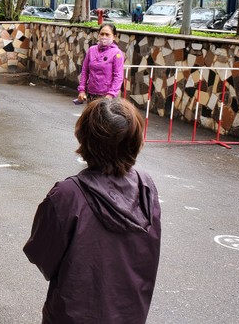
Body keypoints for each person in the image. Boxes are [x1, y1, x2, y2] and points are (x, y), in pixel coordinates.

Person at [23, 98, 161, 323]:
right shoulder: (146, 187)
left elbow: (42, 254)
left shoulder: (68, 195)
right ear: (135, 141)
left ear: (85, 138)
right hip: (130, 312)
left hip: (73, 314)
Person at [77, 23, 124, 102]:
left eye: (107, 34)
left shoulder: (117, 53)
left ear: (114, 37)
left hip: (108, 97)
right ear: (98, 35)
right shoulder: (91, 50)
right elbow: (85, 71)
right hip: (91, 95)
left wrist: (110, 95)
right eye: (102, 34)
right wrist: (82, 90)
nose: (104, 37)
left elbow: (118, 76)